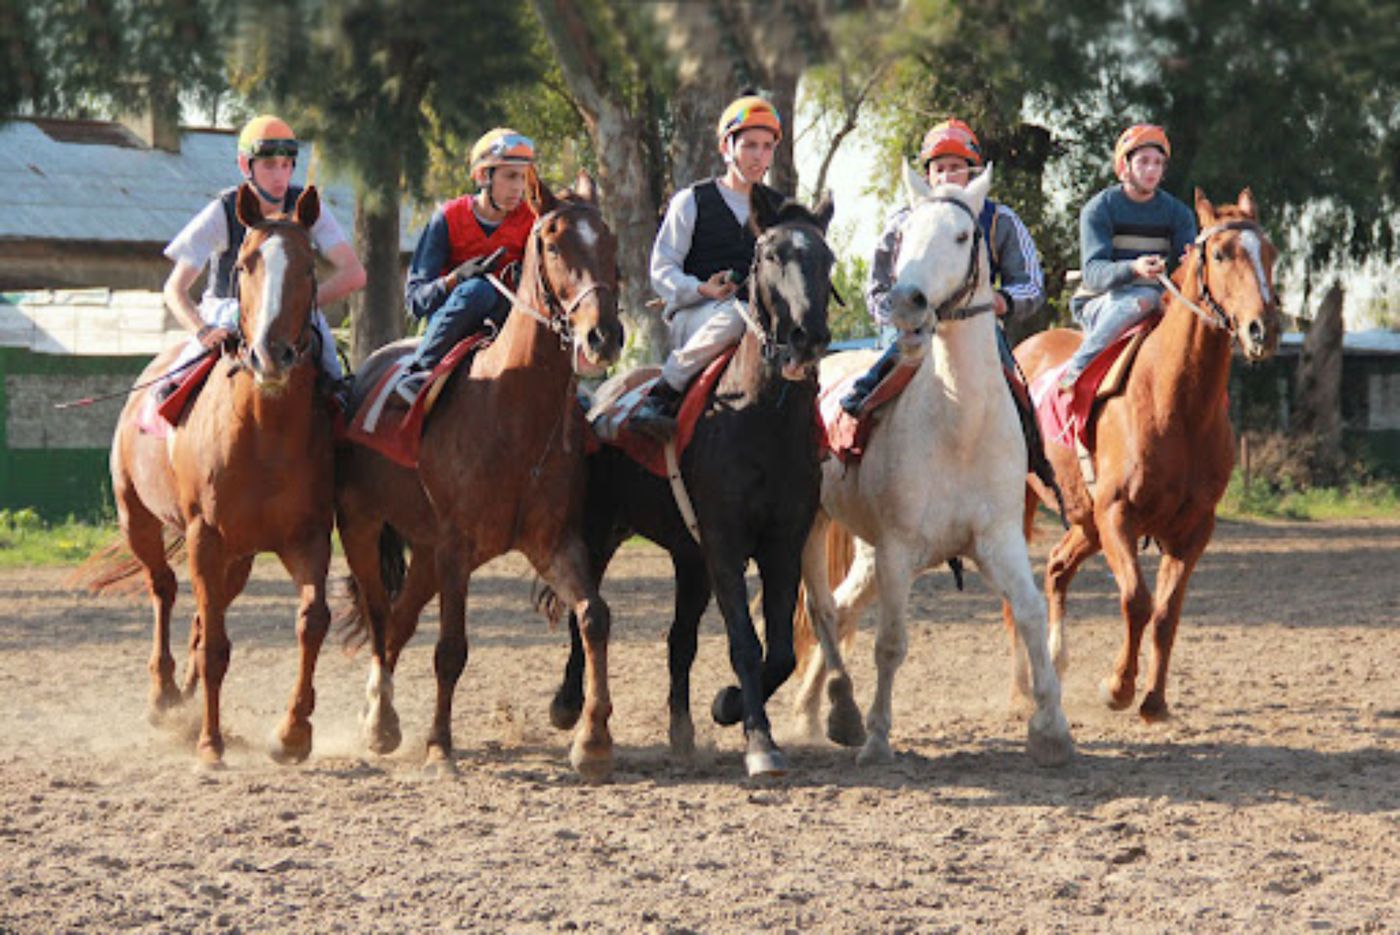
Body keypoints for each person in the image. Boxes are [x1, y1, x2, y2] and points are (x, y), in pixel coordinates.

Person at [841, 118, 1045, 415]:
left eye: (955, 167)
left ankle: (1035, 451)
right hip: (910, 325)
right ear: (927, 176)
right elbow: (877, 287)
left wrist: (1004, 301)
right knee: (872, 390)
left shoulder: (1002, 220)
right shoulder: (902, 222)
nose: (947, 176)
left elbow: (1031, 282)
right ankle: (855, 427)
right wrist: (899, 312)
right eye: (939, 169)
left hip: (977, 327)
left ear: (972, 173)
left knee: (1018, 396)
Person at [161, 114, 365, 396]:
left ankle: (339, 400)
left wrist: (298, 305)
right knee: (168, 387)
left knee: (335, 376)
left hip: (294, 314)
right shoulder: (222, 210)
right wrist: (202, 330)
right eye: (269, 165)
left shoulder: (308, 207)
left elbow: (354, 274)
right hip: (227, 312)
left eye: (285, 165)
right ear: (247, 165)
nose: (280, 175)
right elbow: (174, 289)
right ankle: (162, 407)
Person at [626, 94, 786, 441]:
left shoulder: (780, 210)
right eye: (750, 146)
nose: (760, 156)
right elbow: (661, 271)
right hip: (696, 318)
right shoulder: (691, 201)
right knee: (738, 313)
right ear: (726, 148)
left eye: (767, 147)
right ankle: (664, 392)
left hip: (761, 324)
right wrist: (702, 289)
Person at [397, 128, 538, 402]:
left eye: (523, 177)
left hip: (511, 321)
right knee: (477, 291)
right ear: (484, 176)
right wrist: (454, 280)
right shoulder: (447, 218)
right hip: (452, 321)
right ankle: (418, 370)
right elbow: (416, 301)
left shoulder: (532, 221)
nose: (518, 188)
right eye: (510, 176)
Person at [1058, 122, 1196, 391]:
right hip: (1101, 300)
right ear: (1124, 167)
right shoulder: (1099, 209)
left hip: (1162, 300)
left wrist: (1189, 262)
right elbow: (1094, 274)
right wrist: (1134, 268)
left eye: (1158, 163)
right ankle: (1078, 366)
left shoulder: (1179, 214)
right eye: (1143, 162)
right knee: (1143, 298)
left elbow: (1184, 270)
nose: (1152, 170)